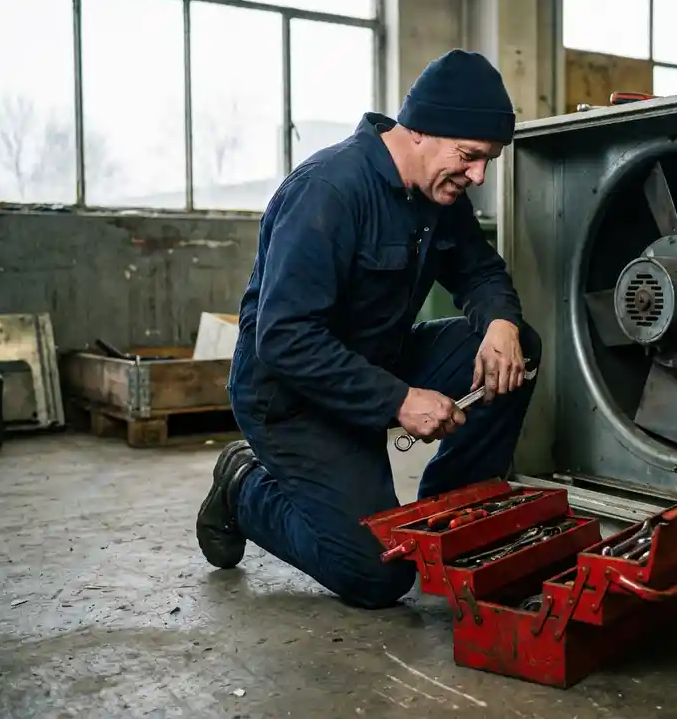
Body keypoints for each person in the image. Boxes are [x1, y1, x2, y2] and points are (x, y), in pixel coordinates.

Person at [195, 49, 541, 609]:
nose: (478, 175)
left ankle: (449, 517)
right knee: (376, 576)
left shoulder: (437, 193)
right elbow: (285, 339)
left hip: (376, 363)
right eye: (471, 156)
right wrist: (400, 401)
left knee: (516, 351)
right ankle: (242, 488)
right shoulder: (329, 191)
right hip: (292, 398)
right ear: (423, 130)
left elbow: (479, 270)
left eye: (488, 162)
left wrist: (502, 321)